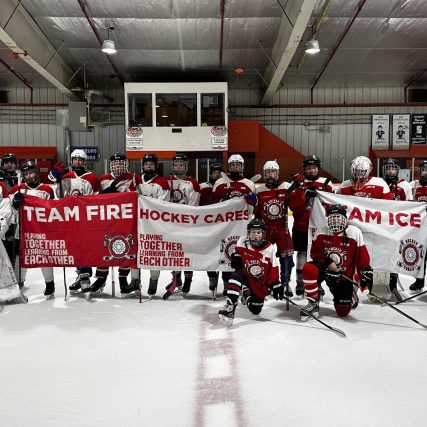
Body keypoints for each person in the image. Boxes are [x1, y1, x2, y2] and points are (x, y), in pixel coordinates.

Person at [300, 204, 373, 320]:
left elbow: (361, 257)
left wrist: (364, 273)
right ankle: (313, 302)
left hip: (343, 276)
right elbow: (315, 253)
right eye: (332, 218)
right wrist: (328, 262)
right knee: (309, 268)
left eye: (338, 217)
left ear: (344, 219)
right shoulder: (321, 231)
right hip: (326, 271)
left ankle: (351, 295)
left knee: (342, 312)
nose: (335, 221)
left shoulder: (354, 232)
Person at [85, 152, 142, 296]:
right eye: (115, 164)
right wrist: (105, 193)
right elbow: (95, 199)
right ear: (111, 166)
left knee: (126, 248)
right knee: (104, 248)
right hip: (108, 219)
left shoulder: (134, 178)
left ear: (126, 165)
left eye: (120, 164)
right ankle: (101, 278)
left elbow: (140, 197)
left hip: (127, 220)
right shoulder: (104, 179)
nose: (118, 166)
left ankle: (123, 277)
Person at [52, 149, 99, 294]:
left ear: (85, 162)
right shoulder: (66, 177)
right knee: (74, 247)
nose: (77, 162)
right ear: (71, 161)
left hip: (85, 218)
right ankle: (81, 275)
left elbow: (97, 198)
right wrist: (57, 179)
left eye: (80, 160)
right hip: (70, 217)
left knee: (84, 246)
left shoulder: (91, 177)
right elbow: (59, 196)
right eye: (75, 160)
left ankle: (85, 275)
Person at [218, 218, 280, 327]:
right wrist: (235, 258)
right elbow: (237, 260)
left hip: (258, 282)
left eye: (258, 233)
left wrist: (275, 284)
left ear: (263, 234)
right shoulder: (242, 241)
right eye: (252, 232)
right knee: (235, 276)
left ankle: (246, 292)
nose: (255, 235)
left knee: (255, 310)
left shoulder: (269, 248)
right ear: (248, 233)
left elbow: (273, 268)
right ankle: (230, 306)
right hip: (245, 276)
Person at [288, 155, 334, 297]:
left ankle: (316, 282)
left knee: (318, 255)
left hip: (320, 227)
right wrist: (303, 194)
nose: (311, 170)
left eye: (314, 167)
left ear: (318, 168)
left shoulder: (326, 183)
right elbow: (292, 205)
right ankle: (300, 282)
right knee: (302, 254)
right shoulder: (297, 183)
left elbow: (332, 205)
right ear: (304, 169)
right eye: (308, 168)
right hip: (301, 226)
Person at [211, 154, 257, 295]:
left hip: (242, 226)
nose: (235, 167)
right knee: (226, 255)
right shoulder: (220, 183)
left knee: (243, 255)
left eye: (238, 164)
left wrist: (251, 201)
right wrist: (222, 201)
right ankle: (227, 283)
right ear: (229, 167)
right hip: (224, 226)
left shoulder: (249, 184)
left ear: (242, 166)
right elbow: (212, 206)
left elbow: (252, 209)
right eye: (233, 165)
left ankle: (243, 284)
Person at [9, 162, 56, 298]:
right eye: (26, 174)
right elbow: (11, 211)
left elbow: (53, 209)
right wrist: (15, 203)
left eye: (31, 173)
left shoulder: (46, 189)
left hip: (41, 230)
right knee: (21, 258)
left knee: (44, 256)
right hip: (22, 230)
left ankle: (49, 283)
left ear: (36, 173)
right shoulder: (17, 189)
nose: (29, 176)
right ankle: (19, 282)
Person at [255, 160, 294, 297]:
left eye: (273, 172)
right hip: (266, 231)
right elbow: (255, 212)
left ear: (277, 173)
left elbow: (296, 204)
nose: (270, 174)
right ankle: (267, 283)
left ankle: (285, 283)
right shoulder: (259, 190)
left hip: (282, 229)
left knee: (287, 259)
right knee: (264, 258)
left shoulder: (286, 186)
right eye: (268, 172)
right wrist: (252, 202)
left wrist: (297, 188)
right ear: (264, 174)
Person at [165, 153, 200, 295]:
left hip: (186, 223)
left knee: (187, 252)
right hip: (171, 224)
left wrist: (185, 219)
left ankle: (188, 279)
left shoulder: (193, 183)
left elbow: (193, 206)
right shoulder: (167, 181)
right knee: (174, 252)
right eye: (176, 164)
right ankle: (176, 278)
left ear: (186, 166)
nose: (178, 167)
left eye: (181, 164)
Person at [136, 153, 170, 297]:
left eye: (151, 164)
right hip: (138, 223)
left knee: (153, 252)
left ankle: (154, 280)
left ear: (156, 166)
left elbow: (163, 204)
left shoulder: (162, 182)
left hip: (155, 224)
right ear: (143, 166)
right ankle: (135, 280)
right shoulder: (136, 180)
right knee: (135, 250)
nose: (148, 166)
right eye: (146, 164)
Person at [199, 162, 223, 296]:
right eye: (215, 172)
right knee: (209, 254)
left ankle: (226, 281)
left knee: (224, 253)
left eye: (219, 173)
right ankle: (212, 277)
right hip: (207, 227)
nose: (217, 175)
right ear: (210, 174)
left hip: (224, 226)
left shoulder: (227, 186)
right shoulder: (203, 187)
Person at [409, 160, 427, 291]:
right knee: (421, 255)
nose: (425, 172)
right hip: (419, 227)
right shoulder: (413, 185)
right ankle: (419, 281)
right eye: (424, 169)